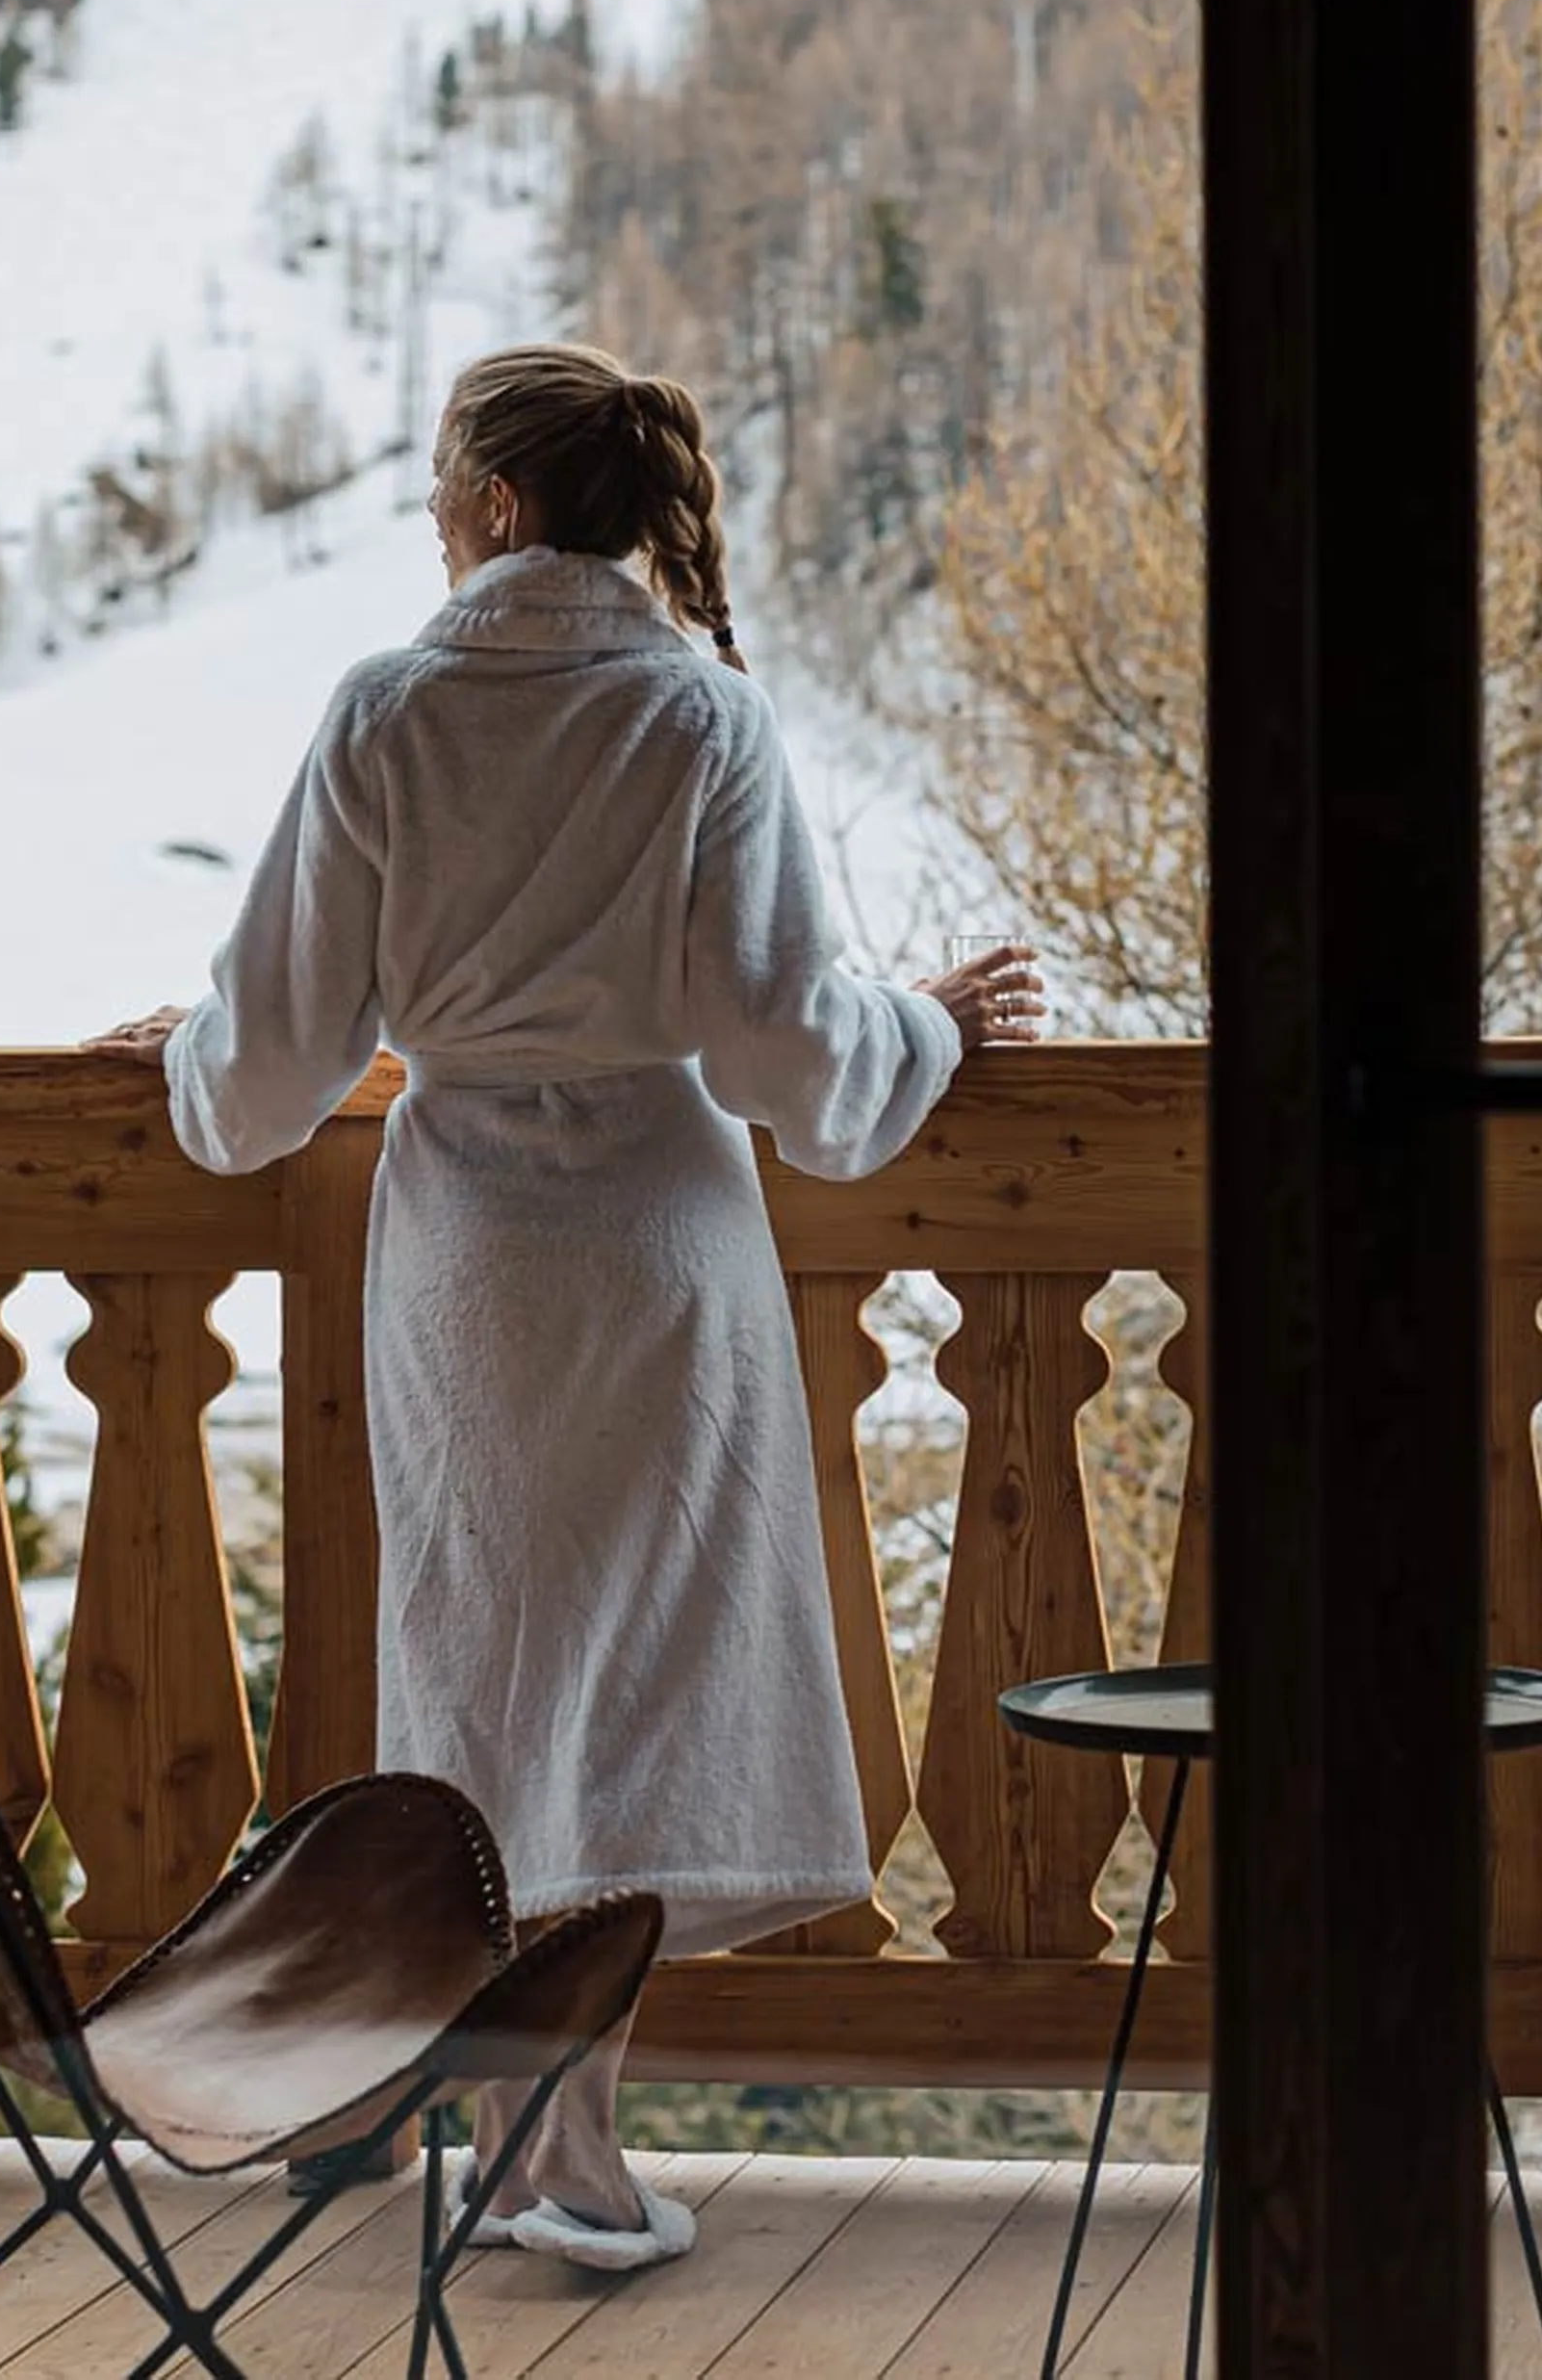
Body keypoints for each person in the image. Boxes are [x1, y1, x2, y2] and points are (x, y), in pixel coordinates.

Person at [90, 340, 1039, 2269]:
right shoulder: (700, 721)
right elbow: (790, 1059)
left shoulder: (388, 715)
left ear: (504, 506)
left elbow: (267, 1074)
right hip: (661, 1254)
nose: (434, 521)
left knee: (495, 1681)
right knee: (643, 1680)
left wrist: (186, 1053)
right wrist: (927, 1026)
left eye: (445, 485)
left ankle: (540, 2129)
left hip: (466, 1269)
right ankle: (554, 2135)